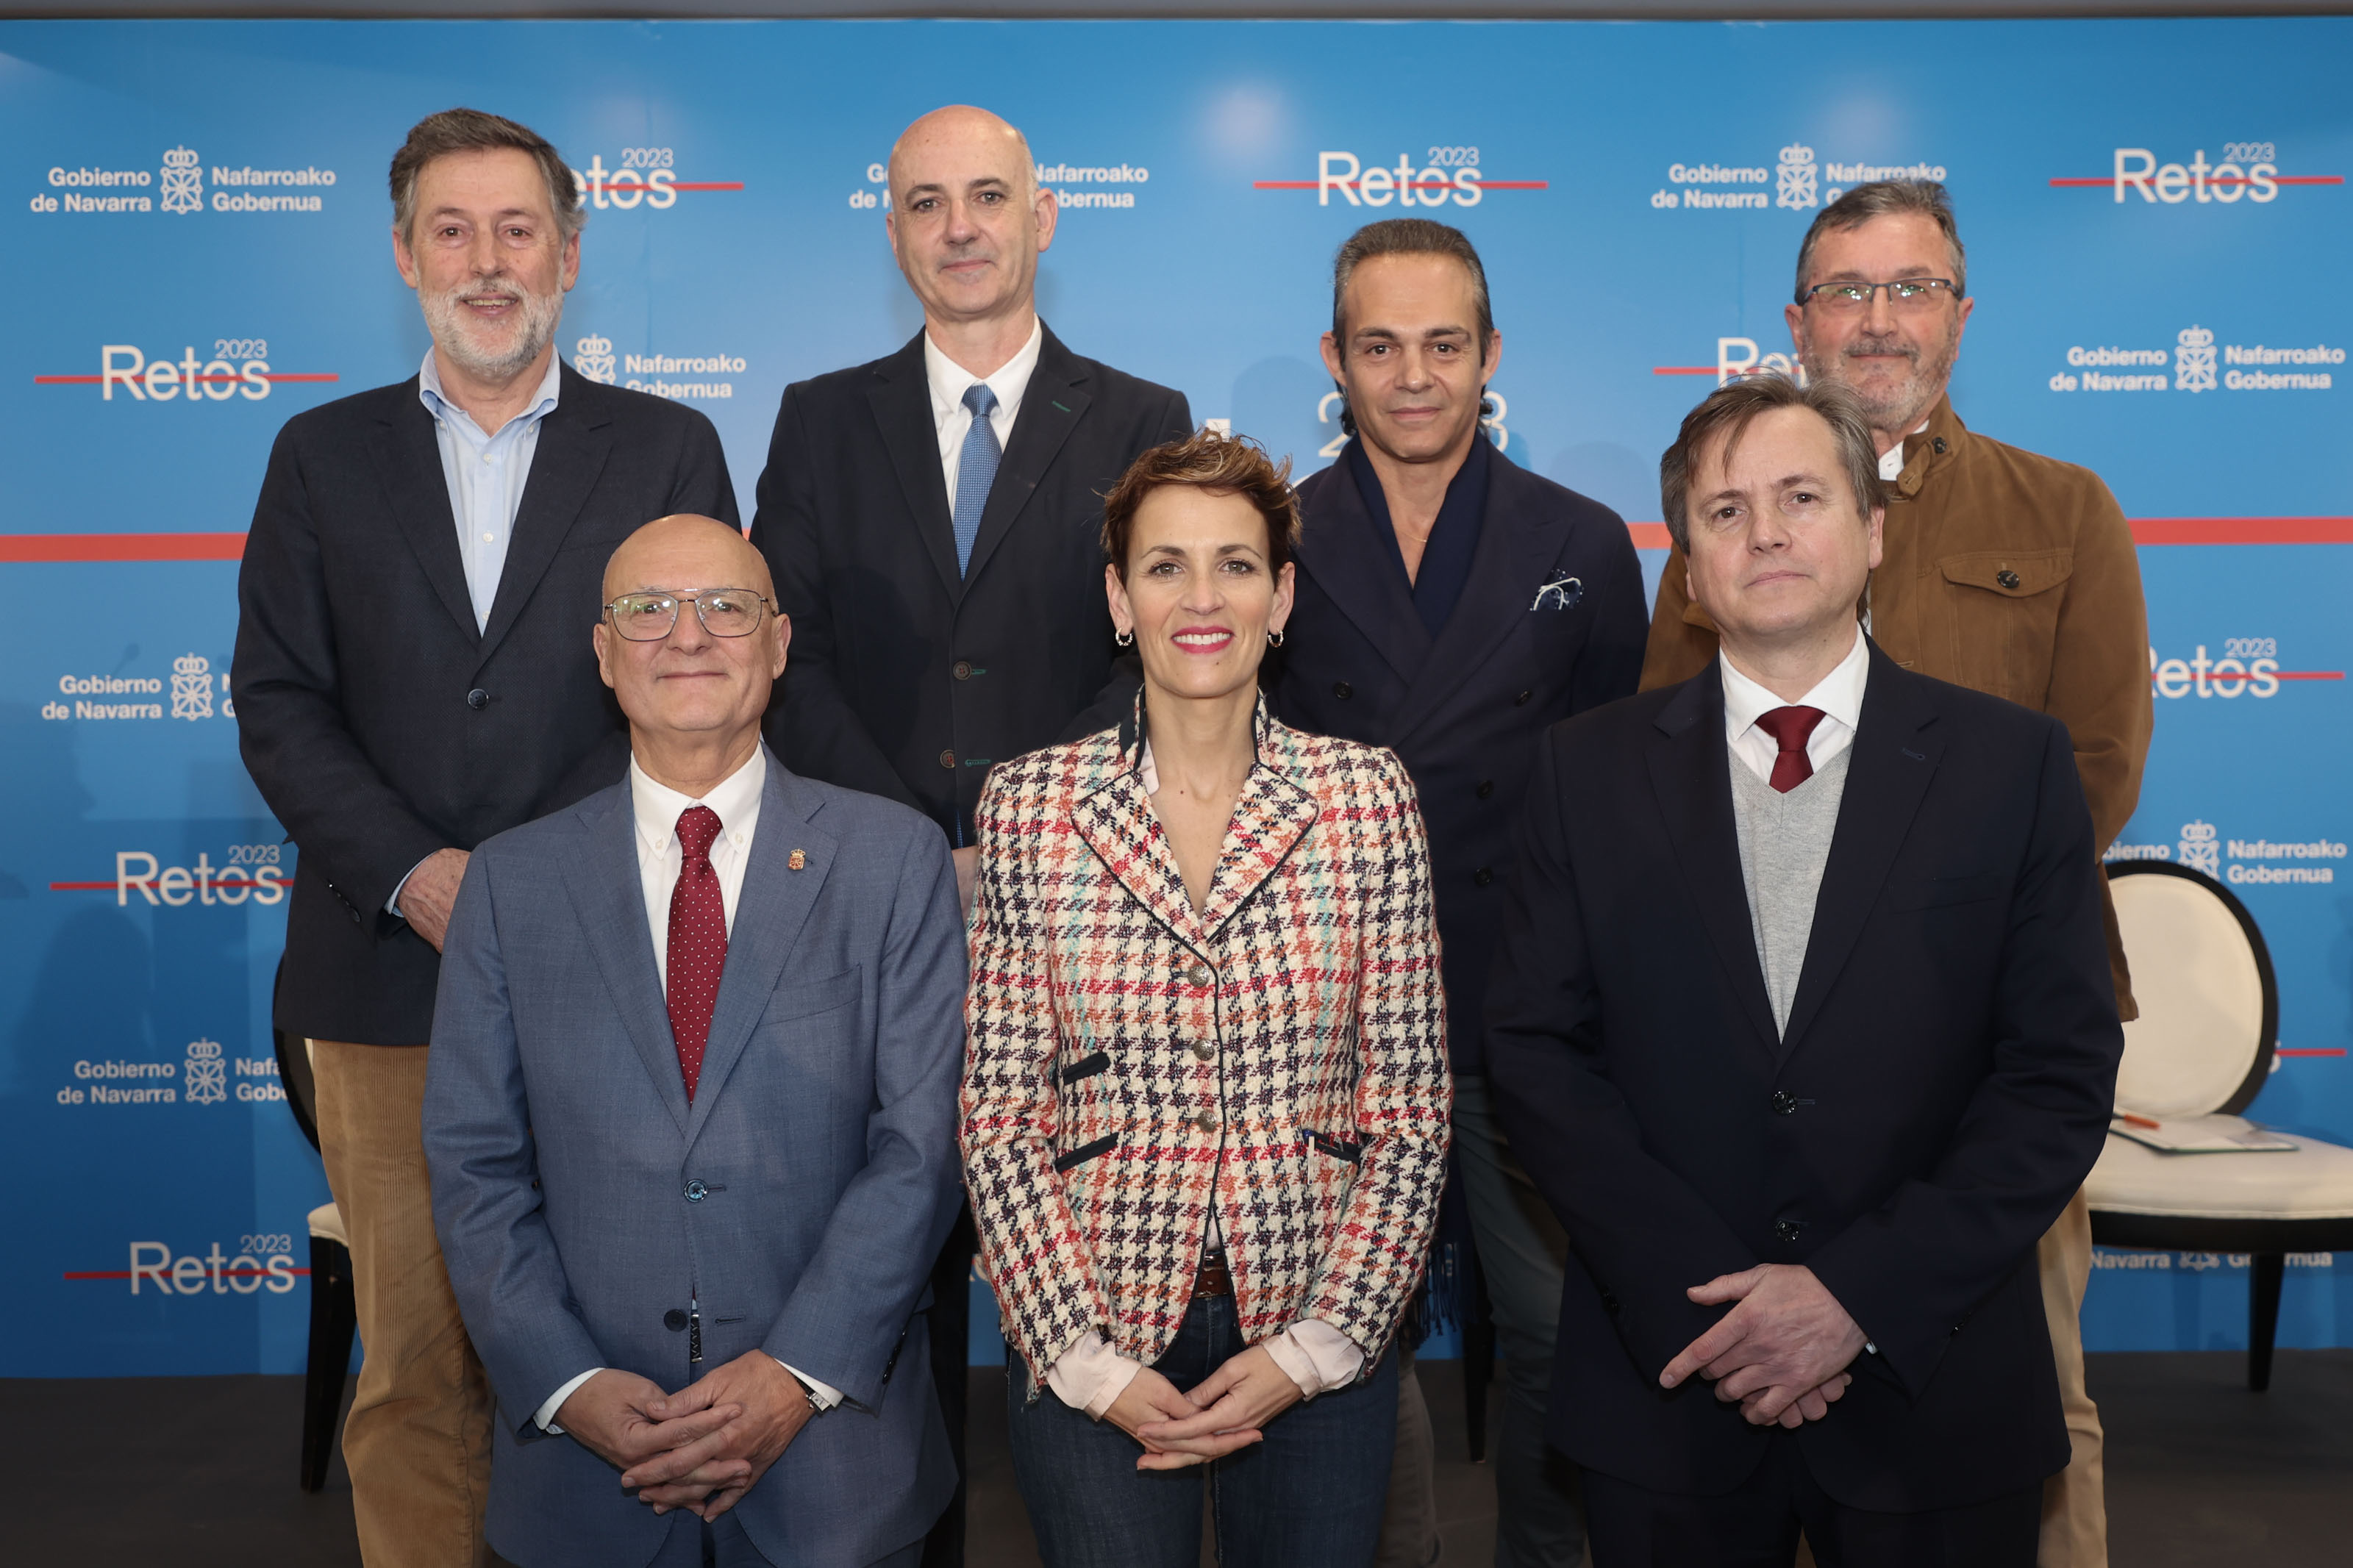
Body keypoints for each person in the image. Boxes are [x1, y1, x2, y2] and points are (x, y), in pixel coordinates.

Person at [1487, 374, 2123, 1565]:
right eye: (1725, 513)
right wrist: (1716, 1307)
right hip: (1672, 1377)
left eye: (1799, 496)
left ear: (1874, 531)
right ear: (1686, 566)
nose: (1765, 531)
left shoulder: (2012, 767)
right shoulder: (1582, 772)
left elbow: (2058, 1076)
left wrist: (1856, 1301)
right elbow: (1535, 1057)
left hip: (1932, 1388)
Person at [231, 108, 738, 1568]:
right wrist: (418, 873)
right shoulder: (318, 456)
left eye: (518, 229)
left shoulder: (668, 444)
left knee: (626, 1356)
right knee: (412, 1377)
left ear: (569, 255)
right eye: (450, 230)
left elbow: (700, 696)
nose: (487, 260)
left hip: (622, 986)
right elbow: (278, 701)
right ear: (403, 256)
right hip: (383, 986)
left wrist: (540, 887)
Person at [1638, 180, 2149, 1568]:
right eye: (1845, 292)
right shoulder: (1723, 523)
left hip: (1987, 1052)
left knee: (2028, 1387)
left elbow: (2095, 767)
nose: (1878, 319)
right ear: (1798, 319)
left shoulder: (2064, 509)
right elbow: (1661, 788)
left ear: (1961, 316)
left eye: (1909, 287)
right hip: (1757, 1064)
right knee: (1752, 1376)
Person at [746, 109, 1192, 1550]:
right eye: (925, 202)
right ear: (892, 231)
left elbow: (1160, 653)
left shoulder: (1140, 416)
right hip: (859, 907)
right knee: (888, 1257)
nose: (959, 227)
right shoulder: (822, 415)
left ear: (1042, 216)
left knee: (1085, 1254)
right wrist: (902, 839)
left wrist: (1016, 833)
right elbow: (781, 648)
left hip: (1080, 903)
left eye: (986, 196)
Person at [424, 515, 967, 1567]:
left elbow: (924, 1147)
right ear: (601, 652)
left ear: (778, 641)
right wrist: (572, 1386)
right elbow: (473, 1166)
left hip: (833, 1477)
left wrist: (792, 1374)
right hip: (587, 1480)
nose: (688, 636)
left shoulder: (892, 861)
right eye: (647, 610)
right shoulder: (509, 883)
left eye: (728, 607)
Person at [962, 432, 1452, 1568]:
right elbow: (997, 1115)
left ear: (1281, 598)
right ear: (1118, 598)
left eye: (1236, 566)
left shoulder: (1365, 797)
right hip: (1095, 1327)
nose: (1202, 597)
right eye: (1165, 565)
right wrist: (1088, 1364)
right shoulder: (1032, 807)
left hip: (1318, 1326)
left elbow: (1414, 1110)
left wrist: (1316, 1348)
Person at [1274, 217, 1648, 1568]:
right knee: (1335, 1338)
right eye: (1381, 347)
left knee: (1555, 1331)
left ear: (1492, 356)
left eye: (1444, 346)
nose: (1414, 376)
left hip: (1523, 1000)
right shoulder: (1274, 534)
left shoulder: (1587, 540)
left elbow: (1623, 795)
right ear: (1337, 359)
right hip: (1327, 1014)